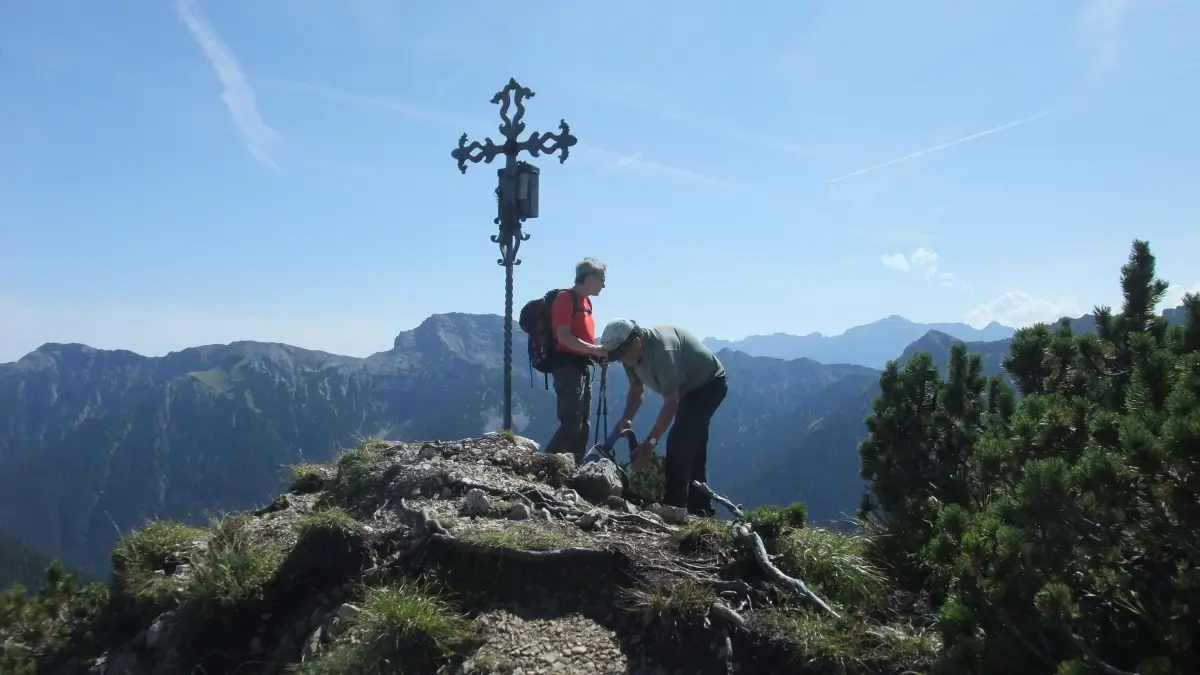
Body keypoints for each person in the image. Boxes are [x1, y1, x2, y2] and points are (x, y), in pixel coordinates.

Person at [597, 318, 728, 517]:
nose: (620, 360)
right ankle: (700, 510)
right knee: (693, 446)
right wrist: (627, 419)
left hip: (708, 385)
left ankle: (673, 509)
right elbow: (636, 390)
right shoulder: (628, 353)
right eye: (616, 356)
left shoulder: (663, 354)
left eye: (621, 354)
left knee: (679, 442)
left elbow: (670, 404)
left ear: (637, 342)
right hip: (687, 387)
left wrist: (649, 445)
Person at [543, 258, 609, 464]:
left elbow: (581, 338)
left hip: (581, 366)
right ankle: (543, 466)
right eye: (601, 279)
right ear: (589, 278)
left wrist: (596, 355)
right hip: (566, 366)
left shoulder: (586, 302)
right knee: (571, 423)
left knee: (583, 424)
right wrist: (595, 350)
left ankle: (574, 470)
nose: (603, 285)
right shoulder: (565, 298)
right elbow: (564, 337)